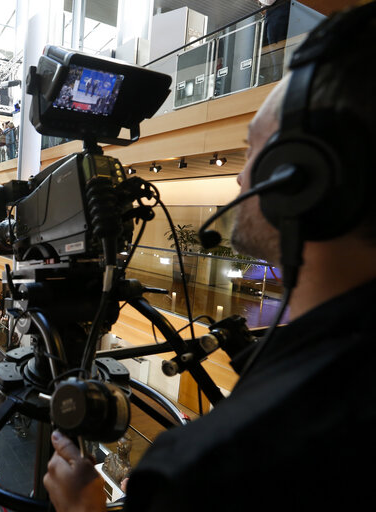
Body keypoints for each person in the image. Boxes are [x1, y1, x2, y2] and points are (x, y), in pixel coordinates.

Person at [43, 6, 376, 511]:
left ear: (301, 175)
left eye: (253, 150)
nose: (241, 179)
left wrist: (82, 508)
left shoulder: (206, 470)